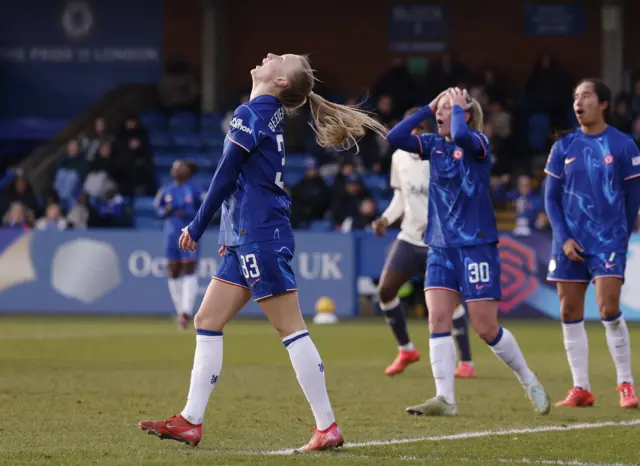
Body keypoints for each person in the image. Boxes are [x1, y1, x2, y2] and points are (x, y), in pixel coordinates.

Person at [138, 53, 387, 451]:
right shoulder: (265, 114)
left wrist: (197, 225)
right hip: (246, 236)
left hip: (260, 235)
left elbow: (225, 174)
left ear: (282, 81)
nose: (270, 55)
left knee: (290, 327)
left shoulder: (251, 113)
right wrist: (228, 231)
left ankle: (327, 426)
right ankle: (190, 420)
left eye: (280, 58)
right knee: (207, 318)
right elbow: (244, 180)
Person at [386, 87, 550, 416]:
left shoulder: (478, 143)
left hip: (476, 245)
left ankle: (528, 377)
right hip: (440, 246)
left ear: (467, 114)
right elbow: (394, 137)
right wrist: (428, 107)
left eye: (448, 108)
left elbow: (461, 134)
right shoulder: (432, 145)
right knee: (438, 317)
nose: (441, 114)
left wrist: (458, 110)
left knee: (485, 327)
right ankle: (445, 398)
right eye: (440, 109)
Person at [544, 78, 640, 409]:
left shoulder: (624, 145)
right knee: (569, 310)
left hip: (608, 240)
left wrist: (620, 236)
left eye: (585, 95)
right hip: (569, 242)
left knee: (608, 307)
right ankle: (581, 387)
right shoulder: (563, 147)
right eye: (575, 96)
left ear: (603, 104)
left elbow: (632, 199)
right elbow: (551, 199)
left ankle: (625, 384)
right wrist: (564, 237)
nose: (578, 101)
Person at [371, 107, 475, 378]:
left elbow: (458, 196)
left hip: (437, 241)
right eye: (411, 131)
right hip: (408, 237)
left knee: (447, 301)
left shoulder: (440, 156)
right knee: (386, 291)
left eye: (418, 130)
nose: (414, 135)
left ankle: (466, 362)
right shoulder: (399, 158)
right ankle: (406, 349)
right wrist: (384, 219)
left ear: (427, 131)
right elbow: (401, 199)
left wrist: (443, 221)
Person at [154, 160, 204, 329]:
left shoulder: (195, 189)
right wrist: (164, 211)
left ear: (188, 171)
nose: (175, 170)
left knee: (189, 267)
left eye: (179, 167)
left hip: (189, 233)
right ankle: (179, 311)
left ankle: (186, 311)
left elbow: (205, 210)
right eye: (174, 167)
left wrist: (188, 213)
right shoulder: (166, 189)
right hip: (170, 233)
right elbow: (157, 208)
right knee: (173, 269)